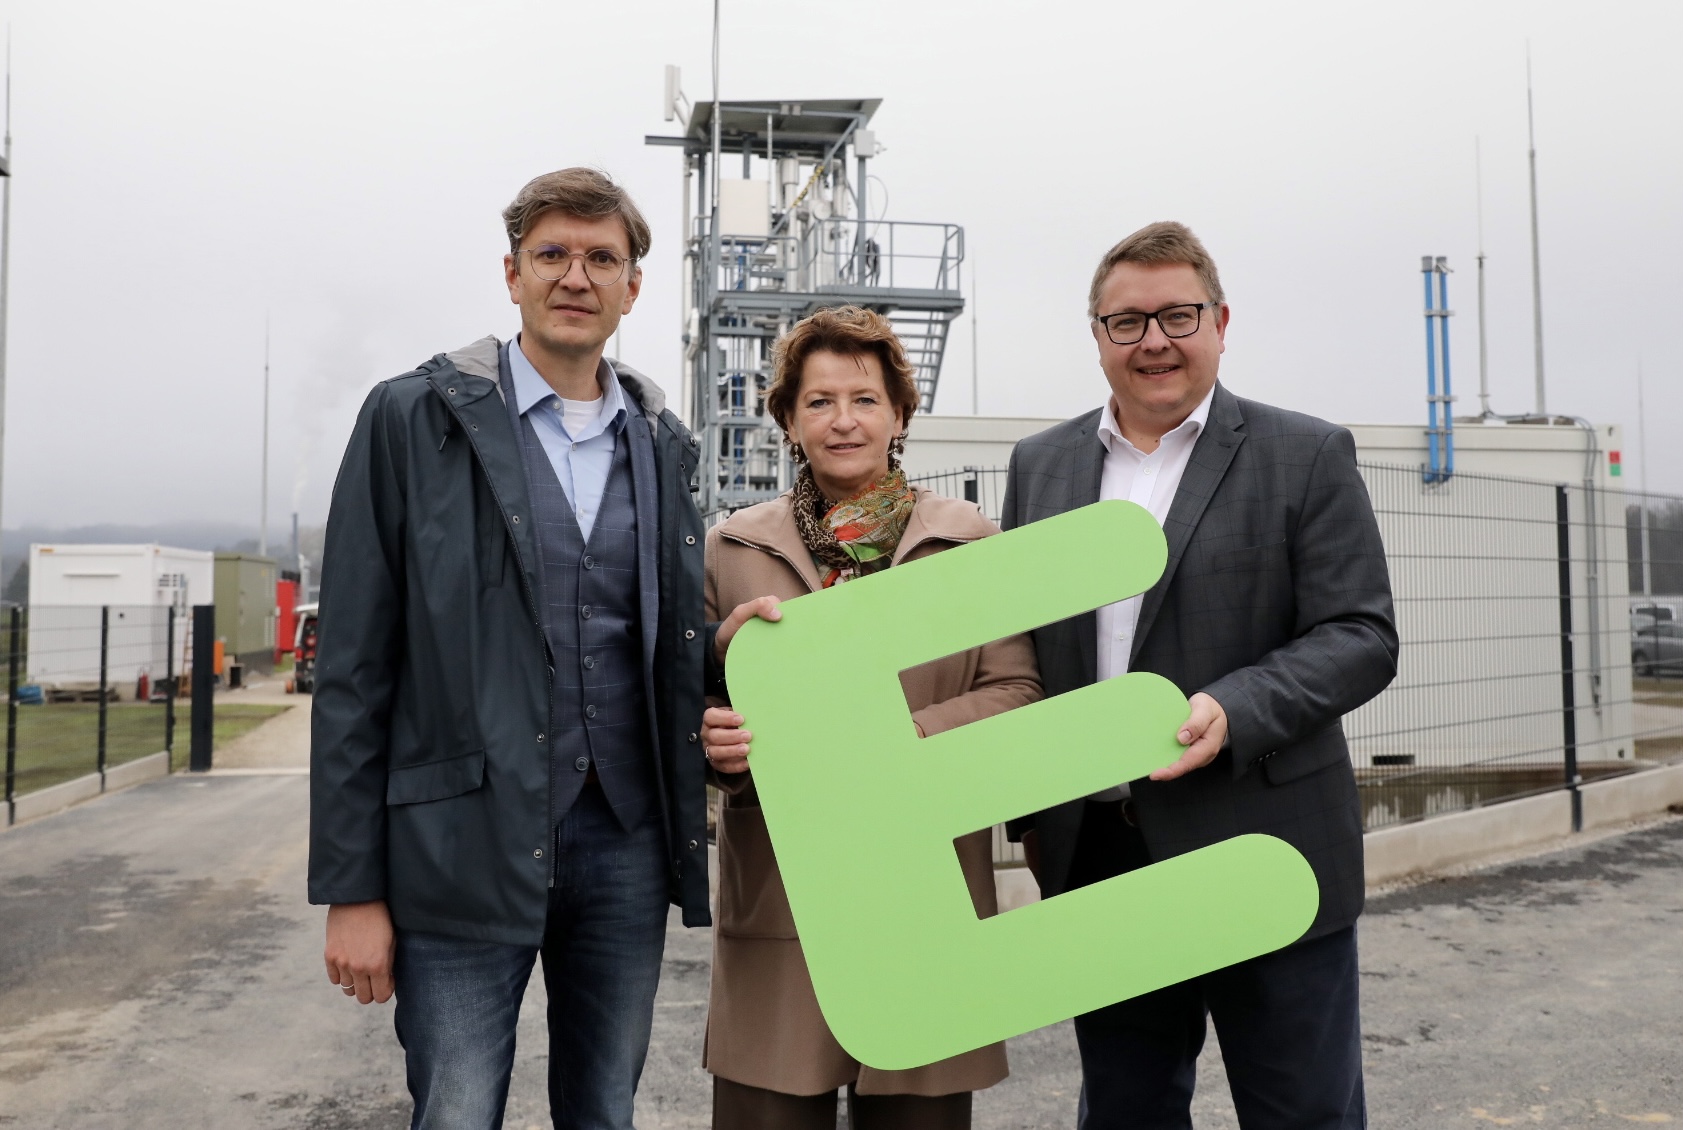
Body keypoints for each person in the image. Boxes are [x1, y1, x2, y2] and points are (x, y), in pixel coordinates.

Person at [308, 168, 711, 1130]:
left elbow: (663, 640)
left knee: (604, 1112)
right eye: (553, 255)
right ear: (513, 273)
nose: (576, 276)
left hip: (624, 844)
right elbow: (353, 670)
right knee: (454, 1113)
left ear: (633, 286)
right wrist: (353, 890)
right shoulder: (412, 420)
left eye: (601, 257)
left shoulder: (663, 443)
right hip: (458, 846)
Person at [1001, 222, 1397, 1129]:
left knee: (1301, 1112)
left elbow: (1361, 633)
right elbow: (1026, 648)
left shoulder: (1305, 454)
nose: (1153, 341)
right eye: (1126, 321)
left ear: (1220, 322)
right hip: (1103, 859)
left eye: (1176, 315)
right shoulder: (1042, 465)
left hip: (1264, 843)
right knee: (1127, 1112)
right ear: (1095, 335)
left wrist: (1238, 704)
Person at [700, 305, 1043, 1130]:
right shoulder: (730, 550)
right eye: (817, 402)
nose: (842, 421)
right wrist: (713, 740)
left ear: (898, 413)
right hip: (784, 894)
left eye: (863, 399)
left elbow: (1017, 694)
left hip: (923, 893)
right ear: (786, 418)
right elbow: (697, 706)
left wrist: (897, 744)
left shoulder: (969, 545)